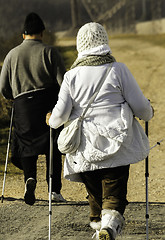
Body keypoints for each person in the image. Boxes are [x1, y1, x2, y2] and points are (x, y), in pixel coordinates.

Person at [47, 22, 154, 240]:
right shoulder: (118, 70)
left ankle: (100, 228)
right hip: (117, 143)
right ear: (105, 41)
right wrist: (149, 112)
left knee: (95, 195)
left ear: (80, 45)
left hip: (85, 148)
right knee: (114, 194)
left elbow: (59, 117)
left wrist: (50, 120)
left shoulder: (72, 76)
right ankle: (109, 228)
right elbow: (141, 108)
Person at [0, 12, 66, 205]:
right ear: (42, 33)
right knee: (52, 147)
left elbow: (3, 87)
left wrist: (13, 97)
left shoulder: (12, 54)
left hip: (22, 107)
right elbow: (64, 83)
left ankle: (30, 179)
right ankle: (54, 190)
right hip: (48, 106)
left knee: (27, 145)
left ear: (23, 35)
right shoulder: (50, 52)